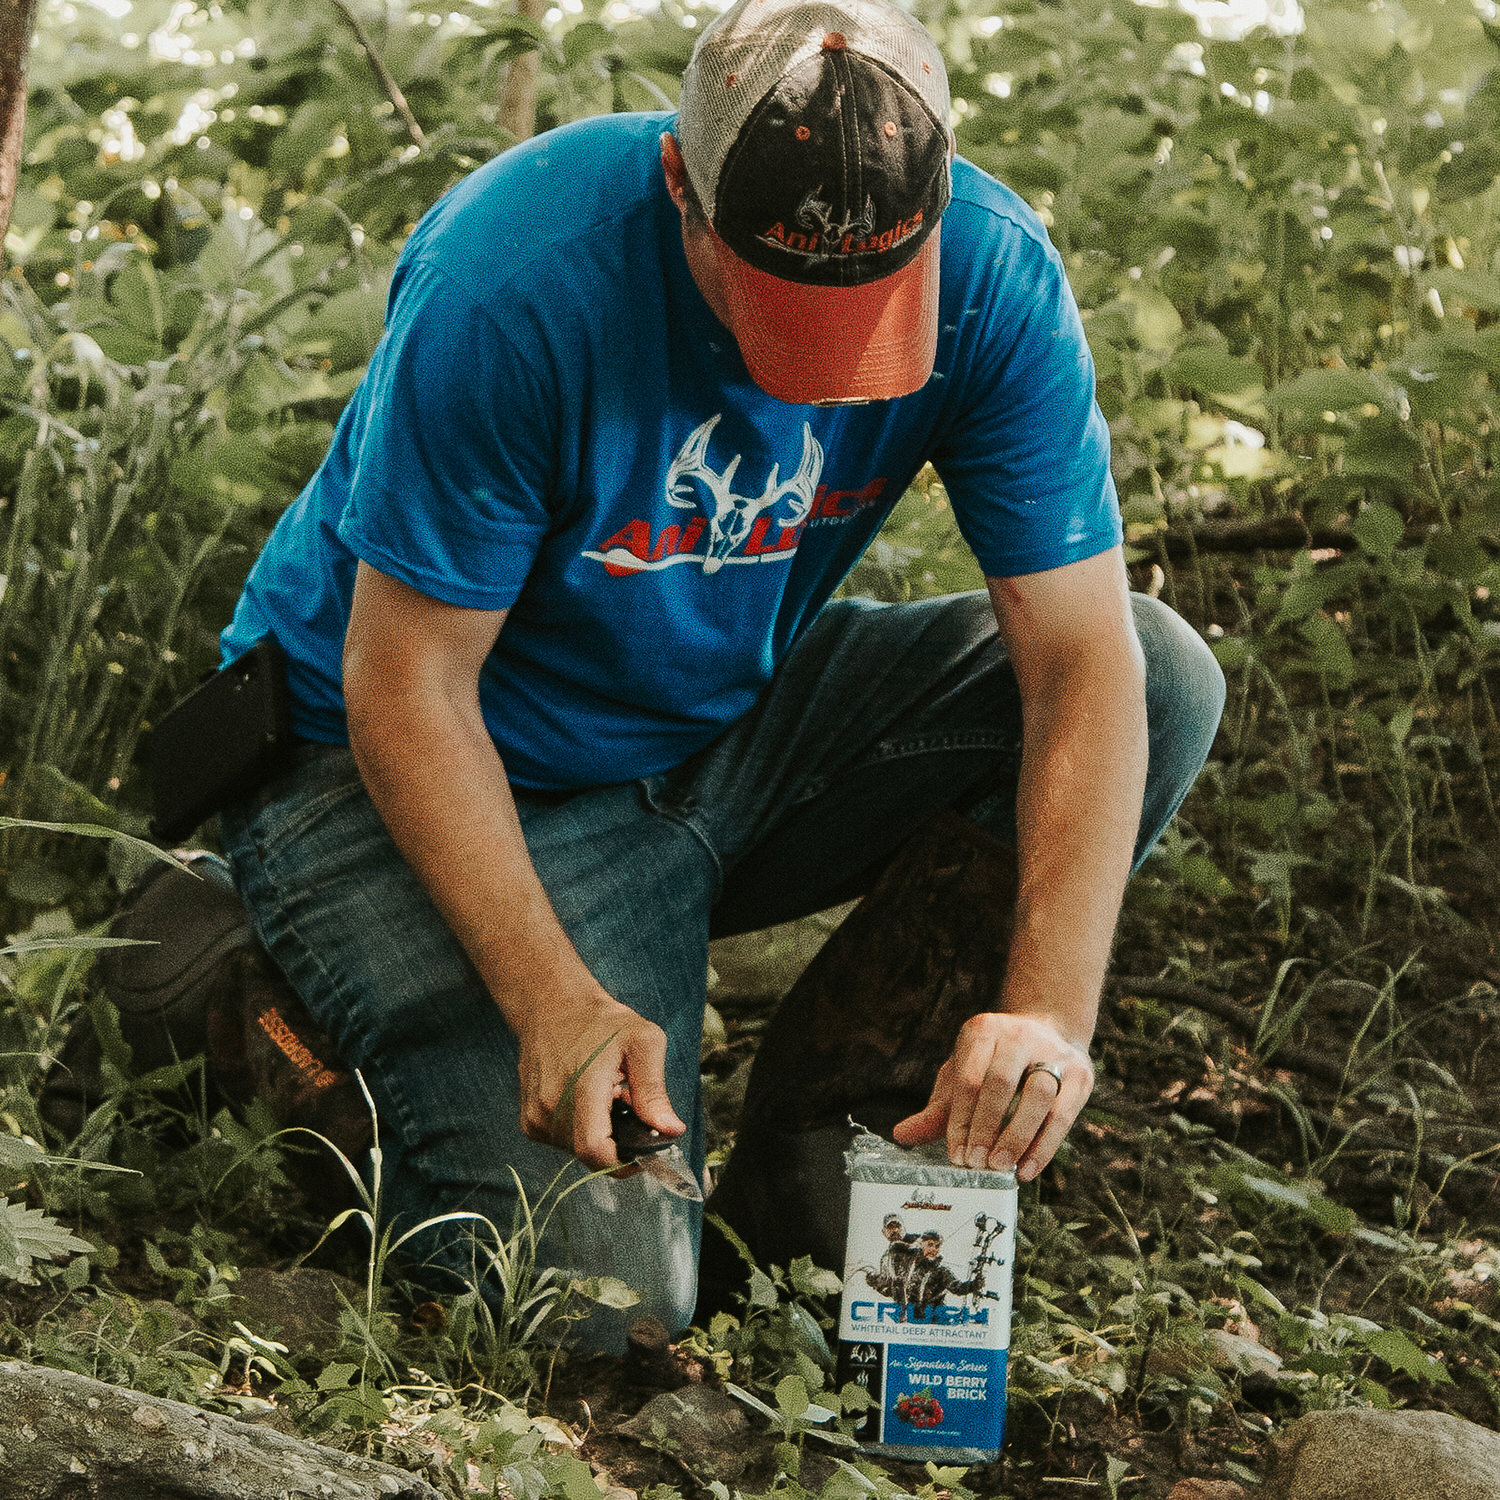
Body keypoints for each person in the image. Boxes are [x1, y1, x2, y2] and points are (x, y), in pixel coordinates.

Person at [216, 0, 1226, 1351]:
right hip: (405, 758)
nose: (817, 373)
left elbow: (1084, 668)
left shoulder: (993, 270)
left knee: (1164, 676)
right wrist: (552, 999)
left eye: (865, 319)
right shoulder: (517, 279)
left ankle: (837, 1151)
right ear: (679, 183)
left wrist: (1045, 1011)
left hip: (718, 723)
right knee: (593, 1307)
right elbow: (405, 684)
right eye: (778, 311)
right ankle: (258, 999)